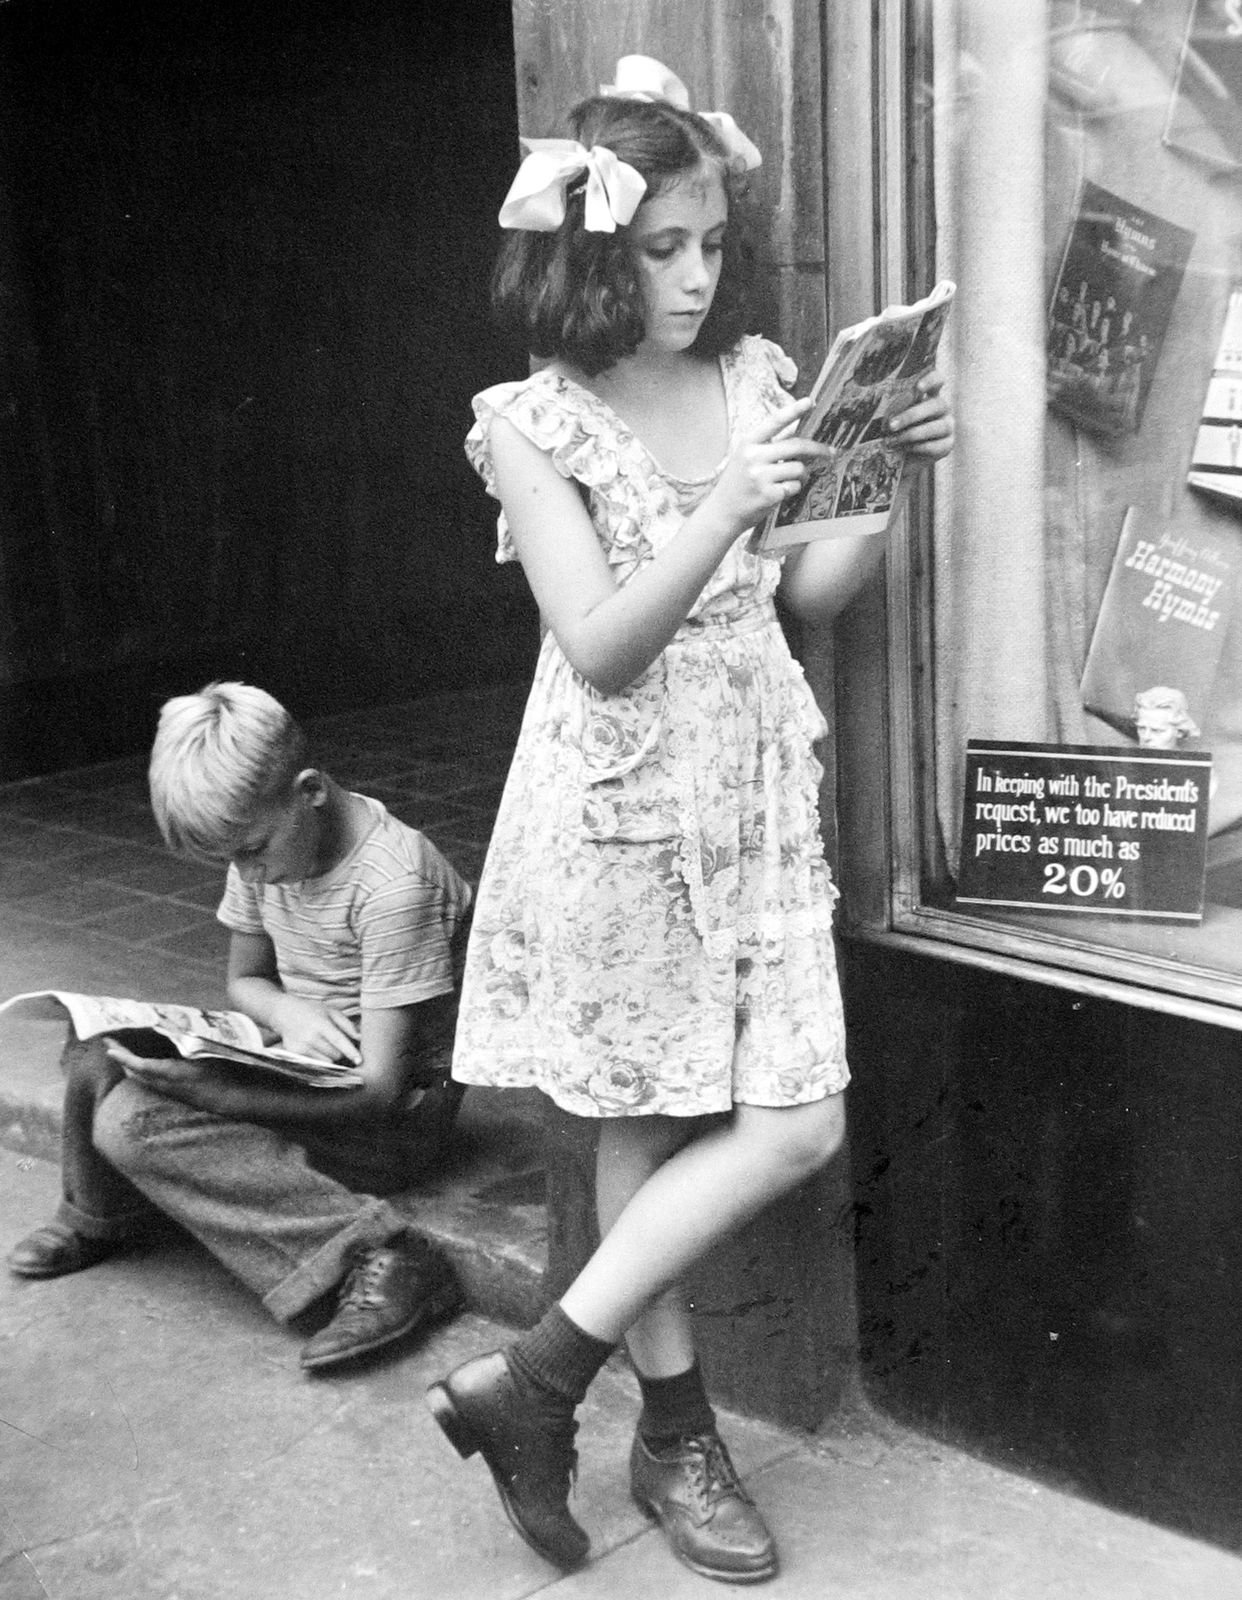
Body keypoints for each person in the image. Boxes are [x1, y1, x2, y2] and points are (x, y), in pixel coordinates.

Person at [423, 55, 954, 1583]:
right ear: (593, 255)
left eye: (713, 242)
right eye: (661, 248)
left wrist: (873, 471)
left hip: (752, 789)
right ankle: (675, 1433)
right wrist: (724, 507)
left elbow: (809, 599)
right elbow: (597, 646)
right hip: (618, 806)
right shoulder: (533, 421)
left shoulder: (754, 380)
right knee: (644, 1119)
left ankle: (536, 1382)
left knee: (797, 1118)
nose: (696, 275)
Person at [7, 681, 472, 1373]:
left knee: (134, 1125)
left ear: (309, 792)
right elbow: (246, 980)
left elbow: (381, 1091)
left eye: (253, 851)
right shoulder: (261, 850)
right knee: (102, 1048)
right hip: (304, 1065)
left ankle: (385, 1254)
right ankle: (101, 1212)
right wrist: (289, 1011)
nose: (248, 874)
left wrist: (222, 1096)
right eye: (232, 859)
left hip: (392, 1117)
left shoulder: (395, 885)